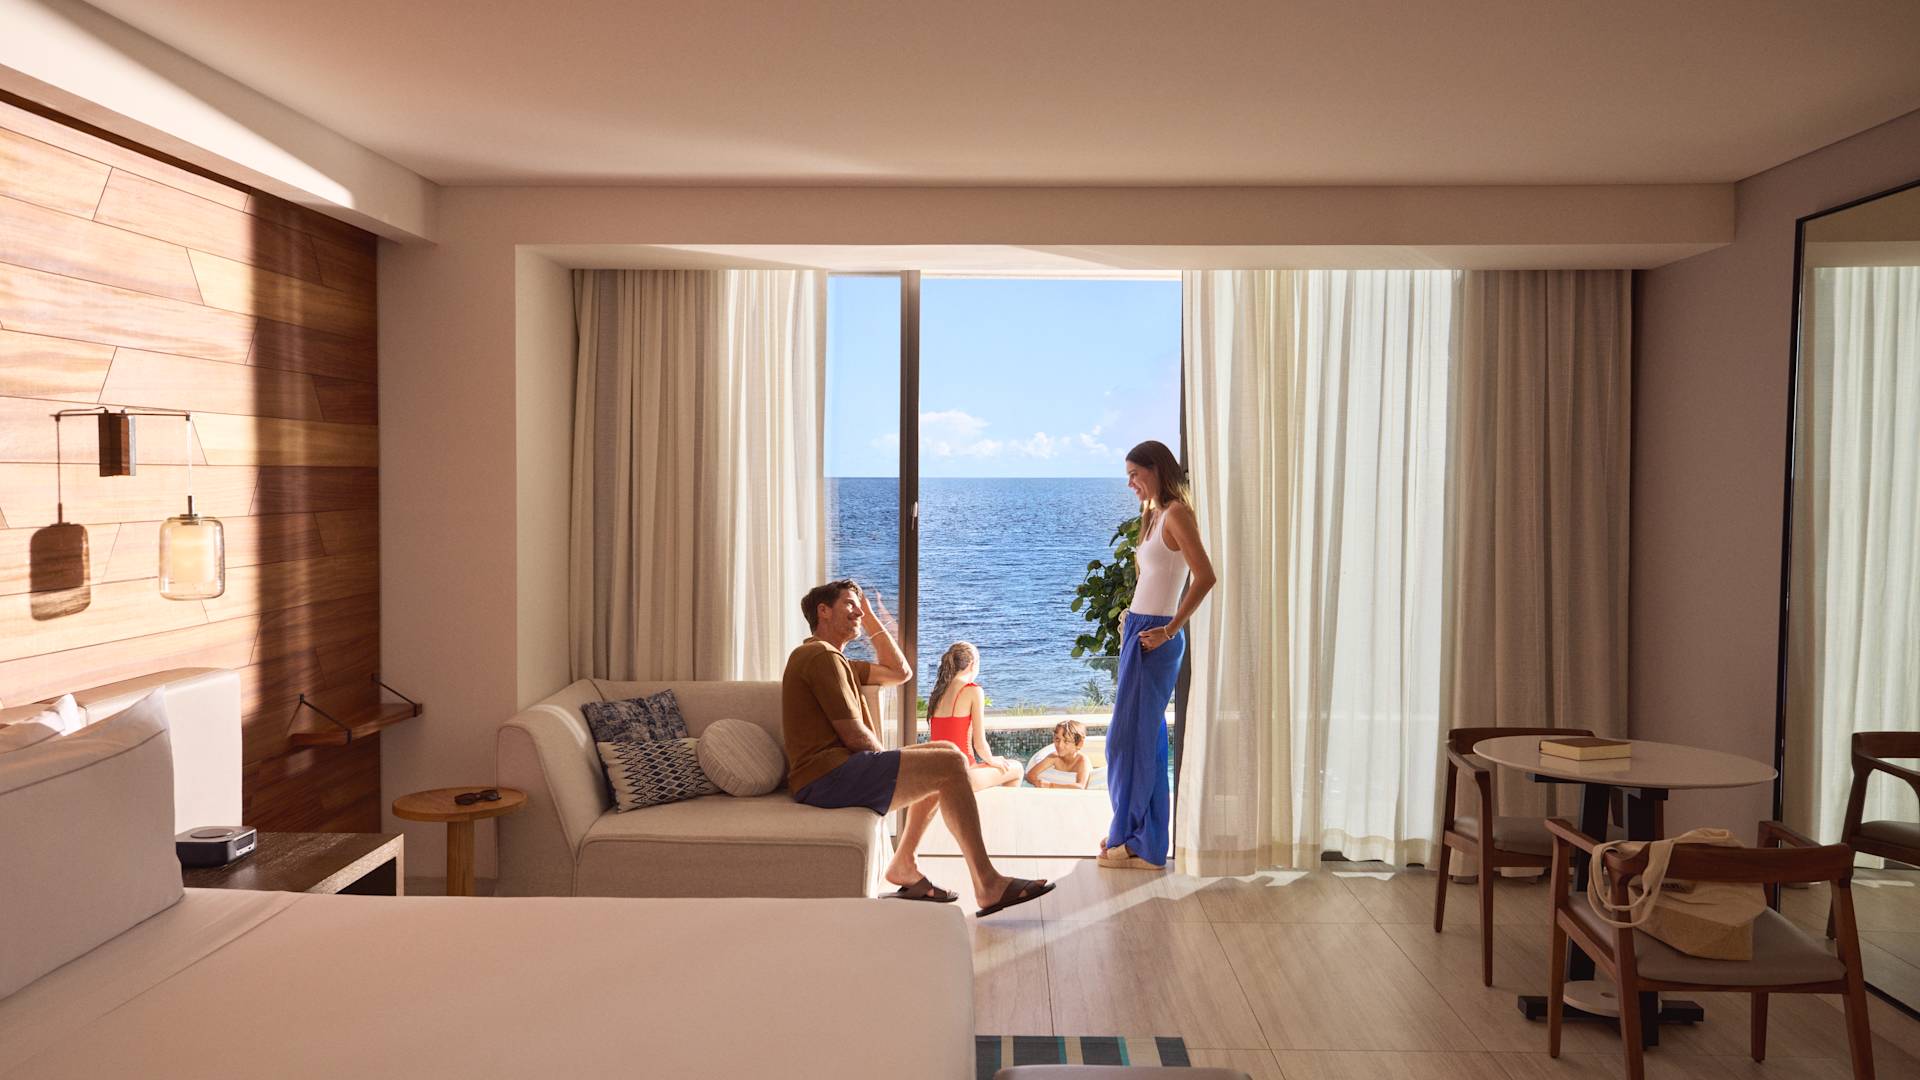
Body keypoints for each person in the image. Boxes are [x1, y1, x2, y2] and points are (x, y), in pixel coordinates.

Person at [782, 579, 1052, 917]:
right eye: (850, 604)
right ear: (823, 611)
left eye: (860, 606)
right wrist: (888, 762)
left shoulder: (837, 661)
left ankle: (904, 864)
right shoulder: (820, 656)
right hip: (827, 777)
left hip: (833, 773)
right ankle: (987, 883)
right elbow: (853, 734)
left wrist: (870, 616)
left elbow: (900, 672)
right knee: (949, 765)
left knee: (948, 753)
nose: (858, 612)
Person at [1100, 440, 1216, 870]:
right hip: (1139, 630)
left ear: (1156, 469)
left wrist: (1169, 630)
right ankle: (1142, 839)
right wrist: (1130, 623)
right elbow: (1152, 578)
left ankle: (1129, 837)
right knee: (1143, 741)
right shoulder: (1151, 515)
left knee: (1125, 742)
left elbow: (1205, 576)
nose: (1130, 482)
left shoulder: (1177, 513)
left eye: (1135, 474)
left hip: (1157, 635)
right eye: (1128, 475)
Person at [924, 642, 1023, 790]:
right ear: (972, 664)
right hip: (963, 774)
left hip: (937, 774)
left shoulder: (938, 693)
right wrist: (992, 760)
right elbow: (980, 745)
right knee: (1016, 768)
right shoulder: (973, 690)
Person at [1025, 719, 1093, 790]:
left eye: (1066, 741)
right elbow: (1029, 775)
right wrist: (1037, 782)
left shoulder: (1082, 761)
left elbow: (1080, 786)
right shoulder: (1054, 757)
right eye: (1057, 739)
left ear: (1079, 744)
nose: (1060, 745)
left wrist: (1050, 786)